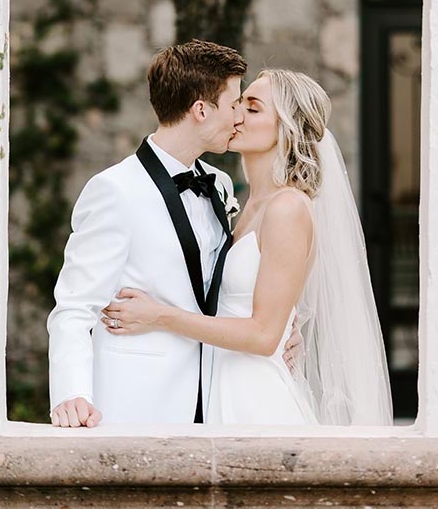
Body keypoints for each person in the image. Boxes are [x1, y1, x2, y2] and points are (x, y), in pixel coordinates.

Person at [101, 69, 393, 426]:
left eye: (253, 109)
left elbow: (263, 335)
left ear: (287, 127)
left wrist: (160, 316)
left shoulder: (287, 208)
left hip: (255, 399)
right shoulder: (245, 203)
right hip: (219, 386)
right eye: (238, 104)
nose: (237, 115)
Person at [48, 40, 302, 427]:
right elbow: (73, 306)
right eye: (235, 104)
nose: (238, 117)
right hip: (134, 401)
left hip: (218, 392)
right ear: (201, 110)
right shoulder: (114, 189)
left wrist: (285, 328)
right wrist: (73, 394)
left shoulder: (218, 185)